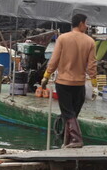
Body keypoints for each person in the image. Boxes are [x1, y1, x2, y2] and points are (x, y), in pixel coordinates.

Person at [40, 13, 97, 148]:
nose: (87, 26)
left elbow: (54, 60)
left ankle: (75, 139)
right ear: (81, 23)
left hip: (63, 83)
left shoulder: (62, 38)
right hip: (80, 84)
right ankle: (67, 142)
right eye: (86, 23)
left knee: (68, 114)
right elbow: (92, 66)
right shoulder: (90, 42)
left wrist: (46, 76)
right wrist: (94, 84)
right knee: (73, 115)